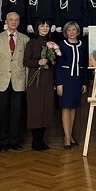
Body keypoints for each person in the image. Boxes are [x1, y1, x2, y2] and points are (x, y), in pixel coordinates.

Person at [0, 12, 30, 152]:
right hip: (2, 81)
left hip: (19, 81)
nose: (13, 22)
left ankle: (14, 141)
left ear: (19, 22)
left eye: (16, 20)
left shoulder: (25, 39)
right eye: (11, 19)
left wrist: (26, 83)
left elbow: (26, 63)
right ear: (6, 21)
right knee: (2, 112)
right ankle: (3, 142)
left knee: (16, 113)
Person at [23, 19, 57, 151]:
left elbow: (55, 62)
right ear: (37, 28)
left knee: (45, 107)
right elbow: (26, 61)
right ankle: (35, 140)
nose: (45, 28)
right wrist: (38, 62)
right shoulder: (32, 42)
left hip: (47, 78)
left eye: (47, 26)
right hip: (35, 78)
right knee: (35, 108)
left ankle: (41, 139)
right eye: (42, 26)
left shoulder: (52, 42)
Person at [55, 21, 88, 148]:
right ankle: (67, 138)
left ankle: (70, 135)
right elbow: (58, 66)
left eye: (74, 30)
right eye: (69, 30)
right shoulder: (61, 45)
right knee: (65, 107)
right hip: (65, 80)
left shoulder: (82, 45)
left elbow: (85, 65)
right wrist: (59, 83)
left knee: (73, 107)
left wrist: (84, 82)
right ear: (65, 32)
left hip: (77, 80)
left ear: (78, 31)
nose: (72, 32)